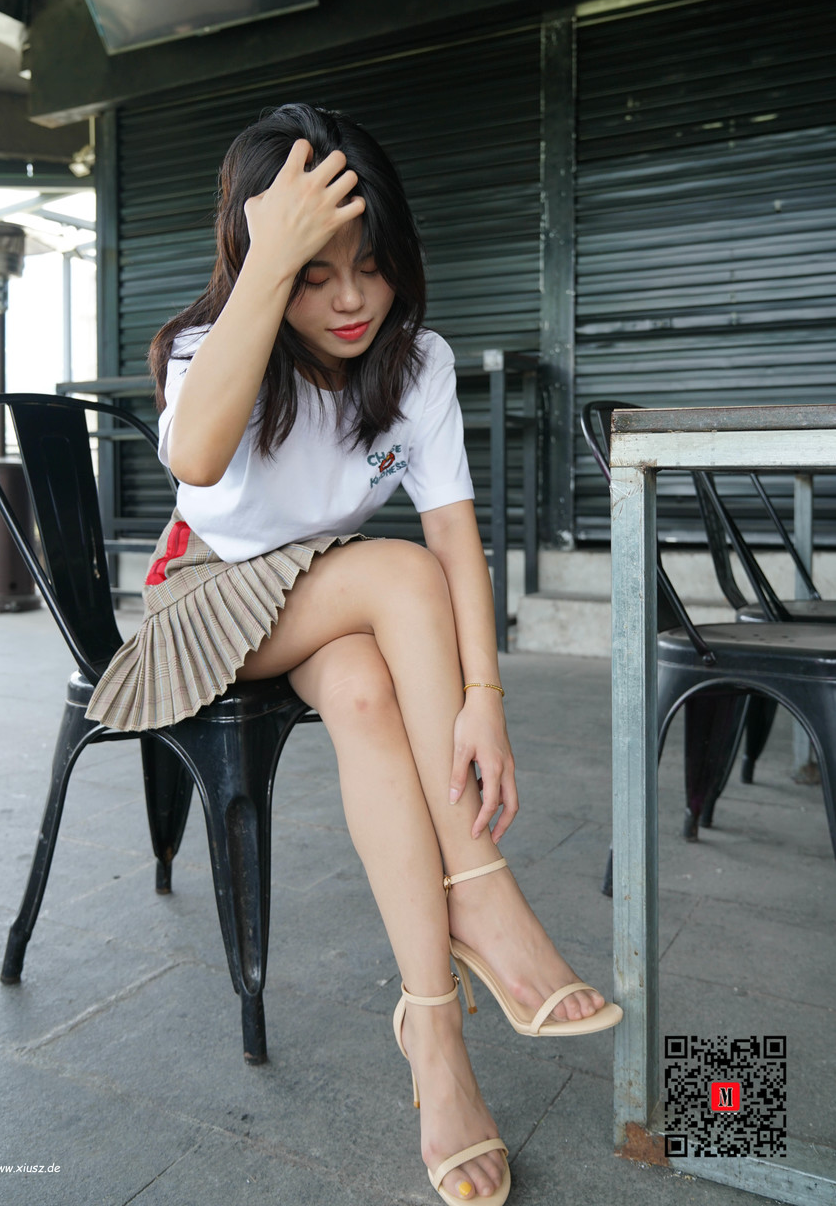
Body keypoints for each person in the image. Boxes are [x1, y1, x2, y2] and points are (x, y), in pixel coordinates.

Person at [87, 102, 622, 1206]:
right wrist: (265, 261)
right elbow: (195, 458)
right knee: (397, 576)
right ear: (264, 263)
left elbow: (456, 533)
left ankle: (436, 1039)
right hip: (208, 604)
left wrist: (484, 699)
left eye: (370, 267)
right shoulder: (205, 349)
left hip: (327, 601)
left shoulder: (415, 364)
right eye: (313, 272)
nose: (348, 301)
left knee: (371, 688)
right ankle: (482, 895)